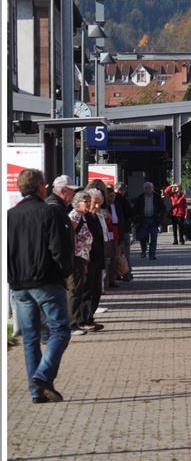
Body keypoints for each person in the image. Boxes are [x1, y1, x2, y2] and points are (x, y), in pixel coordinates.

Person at [7, 169, 73, 403]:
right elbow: (59, 248)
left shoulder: (9, 216)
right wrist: (65, 272)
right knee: (60, 330)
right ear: (41, 187)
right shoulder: (49, 212)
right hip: (46, 281)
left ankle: (37, 392)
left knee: (31, 337)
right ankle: (42, 377)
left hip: (19, 284)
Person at [67, 191, 94, 336]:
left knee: (79, 289)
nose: (89, 204)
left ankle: (76, 321)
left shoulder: (82, 216)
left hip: (82, 256)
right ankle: (72, 324)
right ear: (78, 203)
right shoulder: (75, 216)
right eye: (86, 201)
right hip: (76, 257)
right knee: (75, 289)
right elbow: (71, 237)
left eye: (90, 201)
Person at [81, 189, 107, 332]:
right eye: (95, 203)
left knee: (96, 291)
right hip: (88, 260)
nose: (97, 207)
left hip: (97, 259)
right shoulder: (84, 218)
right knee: (88, 291)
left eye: (99, 204)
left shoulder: (95, 217)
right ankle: (84, 319)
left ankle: (89, 318)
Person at [132, 181, 165, 260]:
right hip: (143, 220)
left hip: (154, 220)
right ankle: (143, 250)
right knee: (142, 237)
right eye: (146, 188)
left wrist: (160, 216)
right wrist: (135, 219)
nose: (148, 189)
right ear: (144, 189)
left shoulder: (157, 197)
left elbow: (163, 208)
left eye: (149, 187)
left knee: (154, 237)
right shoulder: (140, 198)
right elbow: (135, 209)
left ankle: (152, 255)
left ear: (152, 188)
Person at [113, 182, 134, 281]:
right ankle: (126, 273)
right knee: (125, 253)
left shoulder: (110, 201)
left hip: (114, 231)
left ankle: (117, 274)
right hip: (123, 229)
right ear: (122, 190)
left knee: (116, 254)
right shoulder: (123, 200)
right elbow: (129, 213)